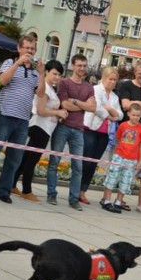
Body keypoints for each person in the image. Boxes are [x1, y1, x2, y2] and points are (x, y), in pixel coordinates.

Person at [0, 35, 45, 203]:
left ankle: (4, 190)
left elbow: (41, 93)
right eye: (26, 48)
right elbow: (3, 80)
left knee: (14, 158)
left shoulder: (35, 71)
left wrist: (42, 74)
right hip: (5, 115)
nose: (29, 51)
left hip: (22, 120)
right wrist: (17, 63)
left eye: (32, 48)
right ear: (19, 49)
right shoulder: (9, 62)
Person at [11, 60, 68, 202]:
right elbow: (40, 110)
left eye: (59, 75)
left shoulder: (50, 88)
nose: (57, 77)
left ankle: (12, 184)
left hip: (44, 128)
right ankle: (26, 190)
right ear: (47, 72)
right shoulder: (46, 89)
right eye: (54, 73)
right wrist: (58, 112)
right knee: (32, 160)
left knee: (26, 158)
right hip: (40, 127)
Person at [45, 54, 96, 211]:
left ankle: (74, 198)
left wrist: (75, 102)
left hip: (79, 129)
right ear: (73, 66)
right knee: (54, 161)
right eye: (79, 65)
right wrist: (83, 105)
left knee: (78, 166)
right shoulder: (64, 83)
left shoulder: (89, 87)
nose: (82, 69)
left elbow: (93, 108)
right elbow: (64, 104)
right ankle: (51, 193)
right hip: (63, 126)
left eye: (84, 66)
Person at [79, 67, 123, 205]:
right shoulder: (96, 90)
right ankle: (76, 189)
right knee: (85, 161)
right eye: (110, 79)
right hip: (91, 128)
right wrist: (111, 115)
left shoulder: (115, 97)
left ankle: (83, 191)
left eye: (115, 80)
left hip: (104, 134)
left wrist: (110, 110)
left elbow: (120, 115)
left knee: (93, 163)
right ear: (103, 78)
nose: (112, 82)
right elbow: (96, 108)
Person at [99, 103, 141, 214]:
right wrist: (115, 154)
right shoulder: (123, 126)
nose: (135, 118)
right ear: (129, 114)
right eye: (133, 115)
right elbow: (118, 140)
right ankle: (106, 200)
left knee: (126, 181)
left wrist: (139, 161)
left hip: (132, 159)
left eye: (138, 116)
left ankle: (118, 202)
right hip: (119, 156)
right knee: (112, 177)